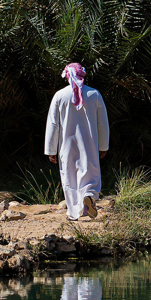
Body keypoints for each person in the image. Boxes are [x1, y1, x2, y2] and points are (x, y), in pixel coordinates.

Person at [44, 63, 109, 221]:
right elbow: (102, 123)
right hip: (90, 143)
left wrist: (51, 150)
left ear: (67, 76)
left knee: (69, 175)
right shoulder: (94, 94)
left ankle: (73, 213)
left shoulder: (60, 96)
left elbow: (53, 124)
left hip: (67, 145)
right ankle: (89, 195)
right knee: (90, 171)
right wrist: (103, 145)